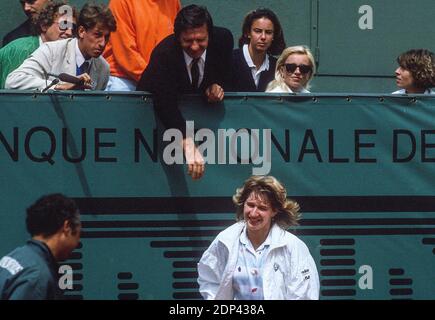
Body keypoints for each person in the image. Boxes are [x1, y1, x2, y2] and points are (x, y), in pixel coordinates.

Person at [136, 4, 234, 180]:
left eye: (201, 40)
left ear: (210, 35)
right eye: (188, 41)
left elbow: (224, 72)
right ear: (177, 36)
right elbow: (165, 105)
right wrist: (189, 146)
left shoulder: (223, 40)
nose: (195, 47)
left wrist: (216, 84)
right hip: (154, 119)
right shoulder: (164, 54)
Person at [197, 175, 319, 300]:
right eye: (250, 205)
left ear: (274, 211)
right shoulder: (226, 240)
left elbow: (304, 295)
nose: (254, 213)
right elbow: (209, 279)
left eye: (262, 208)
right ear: (243, 204)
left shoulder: (293, 247)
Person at [5, 3, 116, 91]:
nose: (102, 43)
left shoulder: (103, 68)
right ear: (81, 31)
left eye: (106, 37)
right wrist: (58, 87)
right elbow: (13, 80)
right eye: (97, 35)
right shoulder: (51, 51)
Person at [0, 194, 81, 300]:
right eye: (79, 234)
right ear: (67, 227)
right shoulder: (37, 277)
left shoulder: (17, 256)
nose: (77, 242)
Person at [103, 0, 181, 91]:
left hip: (161, 81)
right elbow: (126, 53)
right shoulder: (121, 2)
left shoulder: (173, 2)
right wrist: (154, 80)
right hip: (124, 79)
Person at [0, 1, 77, 89]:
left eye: (73, 28)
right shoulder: (22, 50)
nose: (69, 32)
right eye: (63, 25)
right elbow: (10, 91)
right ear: (44, 25)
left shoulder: (66, 54)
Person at [231, 8, 285, 92]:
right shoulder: (229, 60)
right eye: (258, 31)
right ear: (248, 33)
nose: (263, 37)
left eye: (268, 32)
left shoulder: (277, 67)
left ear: (273, 36)